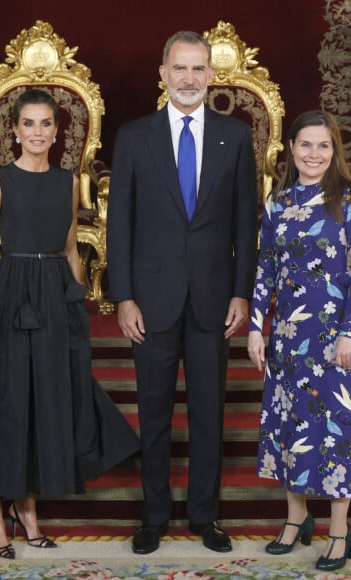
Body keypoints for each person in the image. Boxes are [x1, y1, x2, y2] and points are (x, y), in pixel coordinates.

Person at [0, 88, 140, 559]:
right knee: (3, 399)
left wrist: (78, 304)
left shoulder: (68, 181)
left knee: (43, 398)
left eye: (46, 124)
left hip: (54, 294)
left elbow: (70, 248)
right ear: (14, 130)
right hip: (10, 293)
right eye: (28, 124)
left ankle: (26, 506)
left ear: (57, 130)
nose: (38, 133)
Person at [107, 31, 258, 555]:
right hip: (149, 301)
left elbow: (246, 223)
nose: (189, 79)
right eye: (180, 68)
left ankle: (204, 516)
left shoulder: (235, 138)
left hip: (216, 301)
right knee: (153, 413)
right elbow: (118, 224)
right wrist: (122, 295)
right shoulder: (133, 136)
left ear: (211, 76)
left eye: (198, 69)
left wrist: (243, 293)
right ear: (164, 72)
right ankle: (153, 516)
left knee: (207, 414)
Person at [247, 110, 351, 572]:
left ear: (334, 151)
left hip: (336, 336)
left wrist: (348, 332)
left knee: (338, 427)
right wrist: (256, 325)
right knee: (291, 426)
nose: (314, 154)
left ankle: (340, 531)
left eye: (323, 146)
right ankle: (296, 518)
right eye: (305, 145)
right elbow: (265, 270)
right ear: (291, 149)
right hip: (288, 336)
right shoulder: (278, 203)